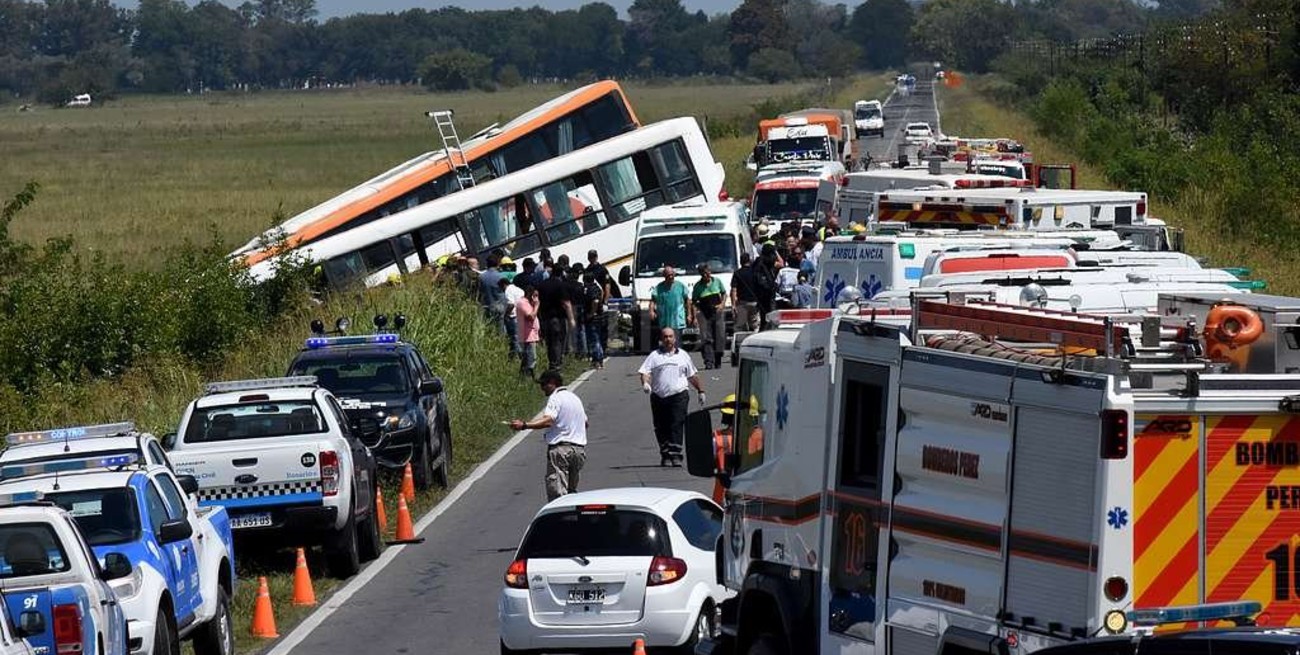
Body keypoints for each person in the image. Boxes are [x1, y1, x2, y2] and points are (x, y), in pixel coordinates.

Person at [509, 370, 587, 501]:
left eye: (544, 384)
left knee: (558, 494)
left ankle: (559, 520)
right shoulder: (575, 398)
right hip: (579, 451)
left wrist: (525, 425)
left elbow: (549, 420)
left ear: (552, 383)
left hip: (561, 450)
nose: (542, 388)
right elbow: (585, 423)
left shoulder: (555, 398)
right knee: (572, 493)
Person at [638, 327, 705, 467]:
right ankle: (665, 454)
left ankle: (676, 455)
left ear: (675, 338)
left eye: (670, 336)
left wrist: (700, 391)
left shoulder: (683, 356)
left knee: (677, 424)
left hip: (679, 395)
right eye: (665, 337)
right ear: (661, 339)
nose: (668, 339)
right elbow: (645, 372)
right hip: (659, 396)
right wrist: (645, 383)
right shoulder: (654, 356)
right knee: (661, 426)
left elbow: (692, 375)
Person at [537, 264, 574, 369]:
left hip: (544, 318)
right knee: (558, 340)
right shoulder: (560, 285)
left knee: (549, 342)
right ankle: (557, 363)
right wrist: (571, 319)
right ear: (561, 273)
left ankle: (552, 362)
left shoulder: (542, 285)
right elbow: (566, 303)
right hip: (558, 317)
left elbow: (538, 301)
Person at [692, 263, 727, 369]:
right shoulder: (698, 286)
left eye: (708, 273)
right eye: (704, 274)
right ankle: (709, 361)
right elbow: (694, 301)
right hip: (705, 313)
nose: (707, 276)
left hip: (717, 312)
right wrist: (694, 316)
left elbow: (724, 293)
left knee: (719, 336)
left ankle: (718, 359)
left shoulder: (717, 281)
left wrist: (722, 304)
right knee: (707, 338)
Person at [649, 265, 690, 345]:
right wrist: (651, 311)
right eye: (668, 275)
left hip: (677, 319)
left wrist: (689, 314)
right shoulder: (659, 287)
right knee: (666, 342)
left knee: (677, 342)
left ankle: (677, 355)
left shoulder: (680, 286)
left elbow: (687, 300)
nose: (671, 277)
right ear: (664, 276)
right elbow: (653, 300)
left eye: (672, 274)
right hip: (665, 319)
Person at [731, 252, 761, 333]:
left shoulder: (737, 273)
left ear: (740, 261)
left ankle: (741, 342)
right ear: (749, 261)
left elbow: (734, 290)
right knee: (755, 325)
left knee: (741, 325)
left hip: (742, 302)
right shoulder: (754, 272)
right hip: (754, 302)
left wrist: (733, 305)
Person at [582, 270, 606, 369]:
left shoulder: (591, 289)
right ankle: (599, 359)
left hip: (593, 318)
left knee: (594, 339)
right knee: (598, 338)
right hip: (599, 317)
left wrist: (591, 313)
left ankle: (597, 359)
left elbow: (595, 301)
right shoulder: (597, 288)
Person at [516, 286, 540, 378]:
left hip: (532, 333)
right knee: (531, 356)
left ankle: (524, 375)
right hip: (527, 334)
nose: (536, 298)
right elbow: (531, 316)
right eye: (535, 295)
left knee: (527, 356)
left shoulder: (529, 303)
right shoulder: (523, 303)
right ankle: (529, 375)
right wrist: (537, 305)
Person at [501, 276, 524, 359]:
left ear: (504, 285)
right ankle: (513, 355)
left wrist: (506, 315)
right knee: (519, 337)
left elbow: (511, 304)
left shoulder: (508, 291)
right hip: (521, 315)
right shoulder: (519, 290)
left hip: (512, 317)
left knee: (514, 337)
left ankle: (520, 355)